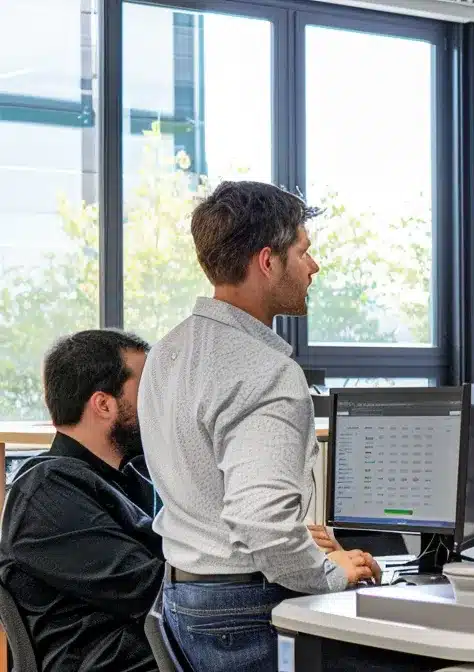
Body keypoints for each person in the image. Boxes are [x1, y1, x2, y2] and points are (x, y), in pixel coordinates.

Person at [140, 181, 381, 671]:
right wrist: (329, 572)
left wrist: (292, 538)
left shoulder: (168, 351)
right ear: (267, 262)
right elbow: (263, 526)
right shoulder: (264, 372)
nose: (313, 267)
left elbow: (210, 490)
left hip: (184, 600)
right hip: (243, 613)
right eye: (304, 252)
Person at [0, 330, 160, 671]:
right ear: (104, 404)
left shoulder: (129, 478)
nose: (158, 404)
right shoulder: (46, 491)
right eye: (147, 391)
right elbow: (148, 589)